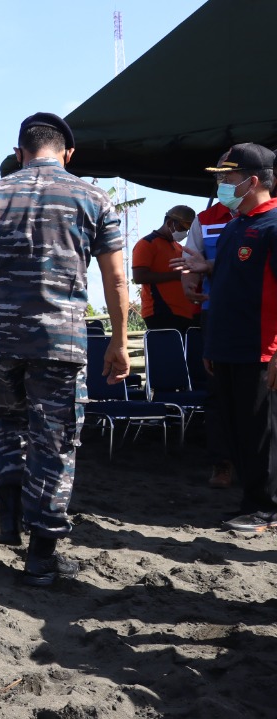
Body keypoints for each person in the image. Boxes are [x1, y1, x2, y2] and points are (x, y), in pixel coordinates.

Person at [0, 112, 130, 586]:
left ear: (21, 150)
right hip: (59, 341)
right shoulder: (95, 198)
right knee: (55, 440)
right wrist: (120, 339)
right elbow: (115, 277)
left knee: (2, 421)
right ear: (68, 153)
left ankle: (7, 511)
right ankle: (42, 555)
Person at [197, 143, 277, 532]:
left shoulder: (274, 225)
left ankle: (268, 507)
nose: (222, 185)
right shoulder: (233, 227)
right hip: (227, 347)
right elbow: (225, 288)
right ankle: (253, 502)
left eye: (228, 178)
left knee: (262, 432)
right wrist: (213, 346)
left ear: (253, 181)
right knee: (239, 432)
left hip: (261, 351)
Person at [173, 201, 239, 488]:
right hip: (216, 312)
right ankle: (222, 464)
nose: (224, 181)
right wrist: (189, 284)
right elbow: (191, 260)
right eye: (220, 175)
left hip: (261, 311)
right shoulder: (206, 219)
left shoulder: (269, 216)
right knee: (217, 389)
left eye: (229, 174)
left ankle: (256, 465)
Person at [132, 205, 198, 333]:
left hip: (184, 313)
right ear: (169, 223)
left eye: (187, 229)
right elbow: (139, 276)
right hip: (160, 311)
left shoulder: (179, 247)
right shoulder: (147, 243)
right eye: (182, 228)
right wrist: (176, 275)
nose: (185, 233)